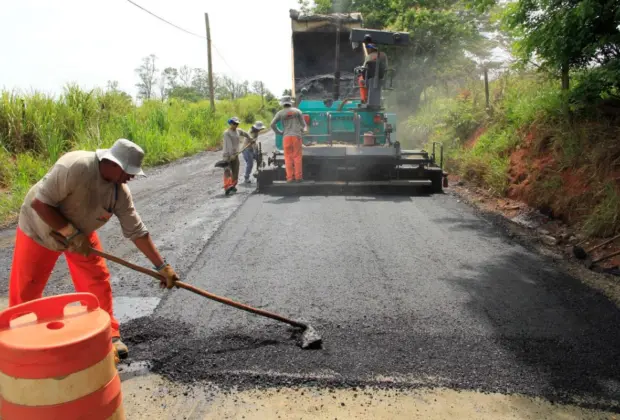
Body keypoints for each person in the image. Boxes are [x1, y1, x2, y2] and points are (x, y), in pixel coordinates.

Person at [7, 138, 180, 361]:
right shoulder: (75, 166)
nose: (133, 176)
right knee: (27, 285)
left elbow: (137, 231)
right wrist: (70, 233)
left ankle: (108, 335)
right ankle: (19, 344)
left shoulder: (119, 192)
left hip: (81, 230)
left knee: (96, 280)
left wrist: (161, 266)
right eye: (130, 171)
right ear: (115, 164)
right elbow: (40, 204)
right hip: (39, 226)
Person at [270, 96, 308, 182]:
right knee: (297, 157)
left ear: (283, 103)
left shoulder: (280, 113)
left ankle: (290, 178)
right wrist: (303, 131)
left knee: (288, 158)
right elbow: (304, 125)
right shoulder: (297, 111)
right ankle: (298, 177)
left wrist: (279, 132)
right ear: (290, 102)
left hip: (286, 137)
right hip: (296, 137)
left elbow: (272, 124)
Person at [222, 116, 252, 187]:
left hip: (236, 154)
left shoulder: (238, 131)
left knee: (236, 171)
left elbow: (245, 133)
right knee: (227, 171)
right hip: (227, 155)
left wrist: (250, 138)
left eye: (237, 124)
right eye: (234, 123)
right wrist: (231, 155)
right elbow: (229, 145)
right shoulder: (227, 133)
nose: (236, 125)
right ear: (231, 123)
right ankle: (227, 186)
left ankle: (233, 185)